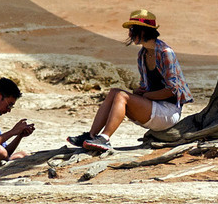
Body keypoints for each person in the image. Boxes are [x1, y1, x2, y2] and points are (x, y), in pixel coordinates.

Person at [67, 10, 192, 155]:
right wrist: (141, 93)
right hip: (154, 107)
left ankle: (105, 139)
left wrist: (146, 96)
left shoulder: (165, 53)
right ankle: (92, 135)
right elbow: (146, 87)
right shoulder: (142, 54)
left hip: (169, 112)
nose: (130, 35)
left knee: (121, 96)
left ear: (144, 31)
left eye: (133, 30)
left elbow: (172, 91)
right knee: (114, 92)